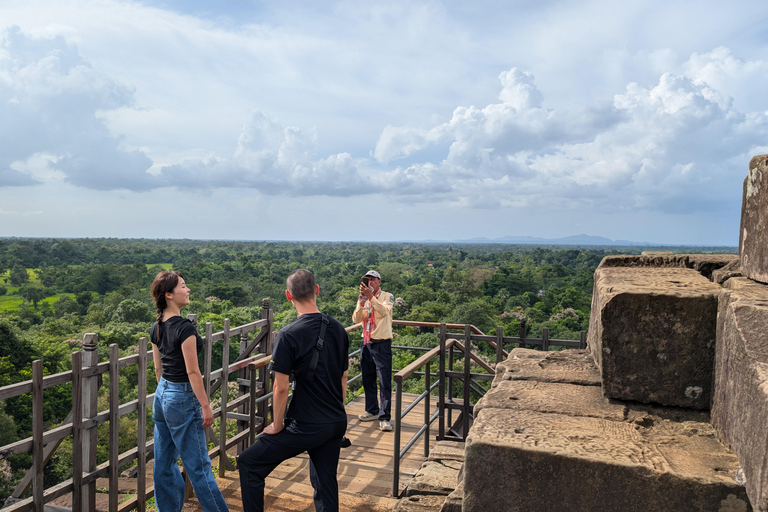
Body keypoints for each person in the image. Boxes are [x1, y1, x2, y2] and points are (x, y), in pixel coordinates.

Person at [238, 269, 349, 512]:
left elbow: (280, 388)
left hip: (307, 424)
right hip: (335, 420)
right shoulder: (339, 329)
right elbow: (343, 377)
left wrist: (277, 425)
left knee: (248, 463)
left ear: (288, 295)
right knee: (325, 481)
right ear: (316, 290)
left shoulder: (288, 335)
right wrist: (335, 412)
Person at [149, 271, 229, 512]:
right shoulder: (185, 329)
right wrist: (205, 406)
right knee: (199, 468)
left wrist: (166, 392)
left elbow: (157, 368)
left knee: (163, 464)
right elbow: (193, 373)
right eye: (184, 286)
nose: (188, 290)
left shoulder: (157, 326)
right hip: (182, 397)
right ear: (169, 295)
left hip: (162, 394)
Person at [351, 270, 395, 432]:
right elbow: (356, 319)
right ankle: (372, 410)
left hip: (382, 343)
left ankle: (385, 417)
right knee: (368, 378)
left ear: (379, 282)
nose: (370, 282)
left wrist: (371, 297)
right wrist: (362, 302)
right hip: (366, 342)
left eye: (373, 279)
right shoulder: (364, 298)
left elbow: (383, 313)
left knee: (384, 381)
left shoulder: (387, 296)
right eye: (367, 279)